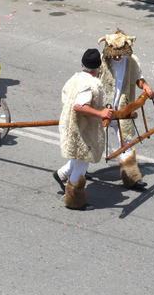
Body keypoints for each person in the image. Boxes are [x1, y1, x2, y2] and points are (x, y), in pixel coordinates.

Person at [53, 48, 113, 211]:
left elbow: (66, 98)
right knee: (82, 163)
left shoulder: (75, 78)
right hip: (82, 129)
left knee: (78, 157)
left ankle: (61, 175)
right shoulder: (91, 84)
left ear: (82, 64)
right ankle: (74, 200)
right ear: (99, 67)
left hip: (71, 125)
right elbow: (79, 106)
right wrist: (100, 113)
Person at [97, 30, 154, 191]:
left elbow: (139, 79)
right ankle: (72, 171)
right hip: (102, 109)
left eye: (119, 55)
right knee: (90, 141)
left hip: (123, 109)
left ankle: (132, 178)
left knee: (127, 142)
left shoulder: (132, 61)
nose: (116, 57)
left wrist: (146, 87)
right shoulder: (101, 62)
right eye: (114, 55)